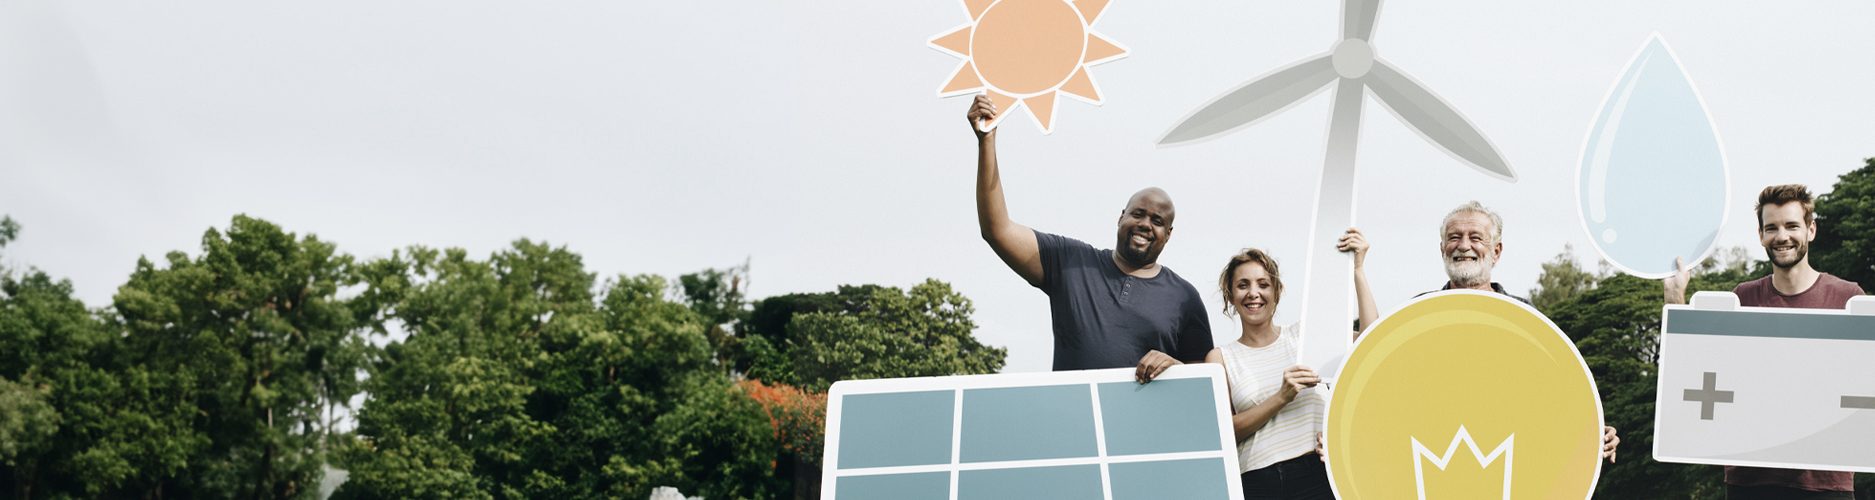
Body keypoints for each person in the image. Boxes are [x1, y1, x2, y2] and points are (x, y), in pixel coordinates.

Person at [966, 96, 1212, 378]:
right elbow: (997, 229)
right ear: (1121, 217)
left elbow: (1205, 379)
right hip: (1074, 407)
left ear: (1168, 235)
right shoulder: (1071, 262)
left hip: (1146, 409)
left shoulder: (1184, 297)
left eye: (1157, 221)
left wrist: (1176, 368)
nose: (1145, 224)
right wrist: (987, 141)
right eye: (1138, 214)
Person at [1664, 184, 1864, 500]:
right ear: (1760, 235)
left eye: (1792, 226)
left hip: (1825, 483)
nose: (1781, 236)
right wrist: (1675, 297)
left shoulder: (1848, 298)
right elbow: (1695, 370)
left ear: (1811, 230)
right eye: (1771, 228)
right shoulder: (1742, 298)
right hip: (1750, 482)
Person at [1421, 200, 1622, 463]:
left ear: (1496, 251)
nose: (1464, 245)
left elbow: (1555, 390)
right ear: (1442, 249)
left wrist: (1593, 430)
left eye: (1476, 238)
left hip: (1506, 456)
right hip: (1435, 451)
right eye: (1454, 237)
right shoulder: (1419, 314)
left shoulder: (1526, 317)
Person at [1206, 229, 1378, 499]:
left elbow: (1372, 342)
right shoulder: (1220, 358)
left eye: (1263, 284)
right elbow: (1222, 433)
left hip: (1317, 472)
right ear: (1230, 294)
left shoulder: (1305, 335)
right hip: (1257, 481)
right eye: (1243, 285)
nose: (1253, 293)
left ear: (1277, 292)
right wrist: (1281, 396)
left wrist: (1358, 269)